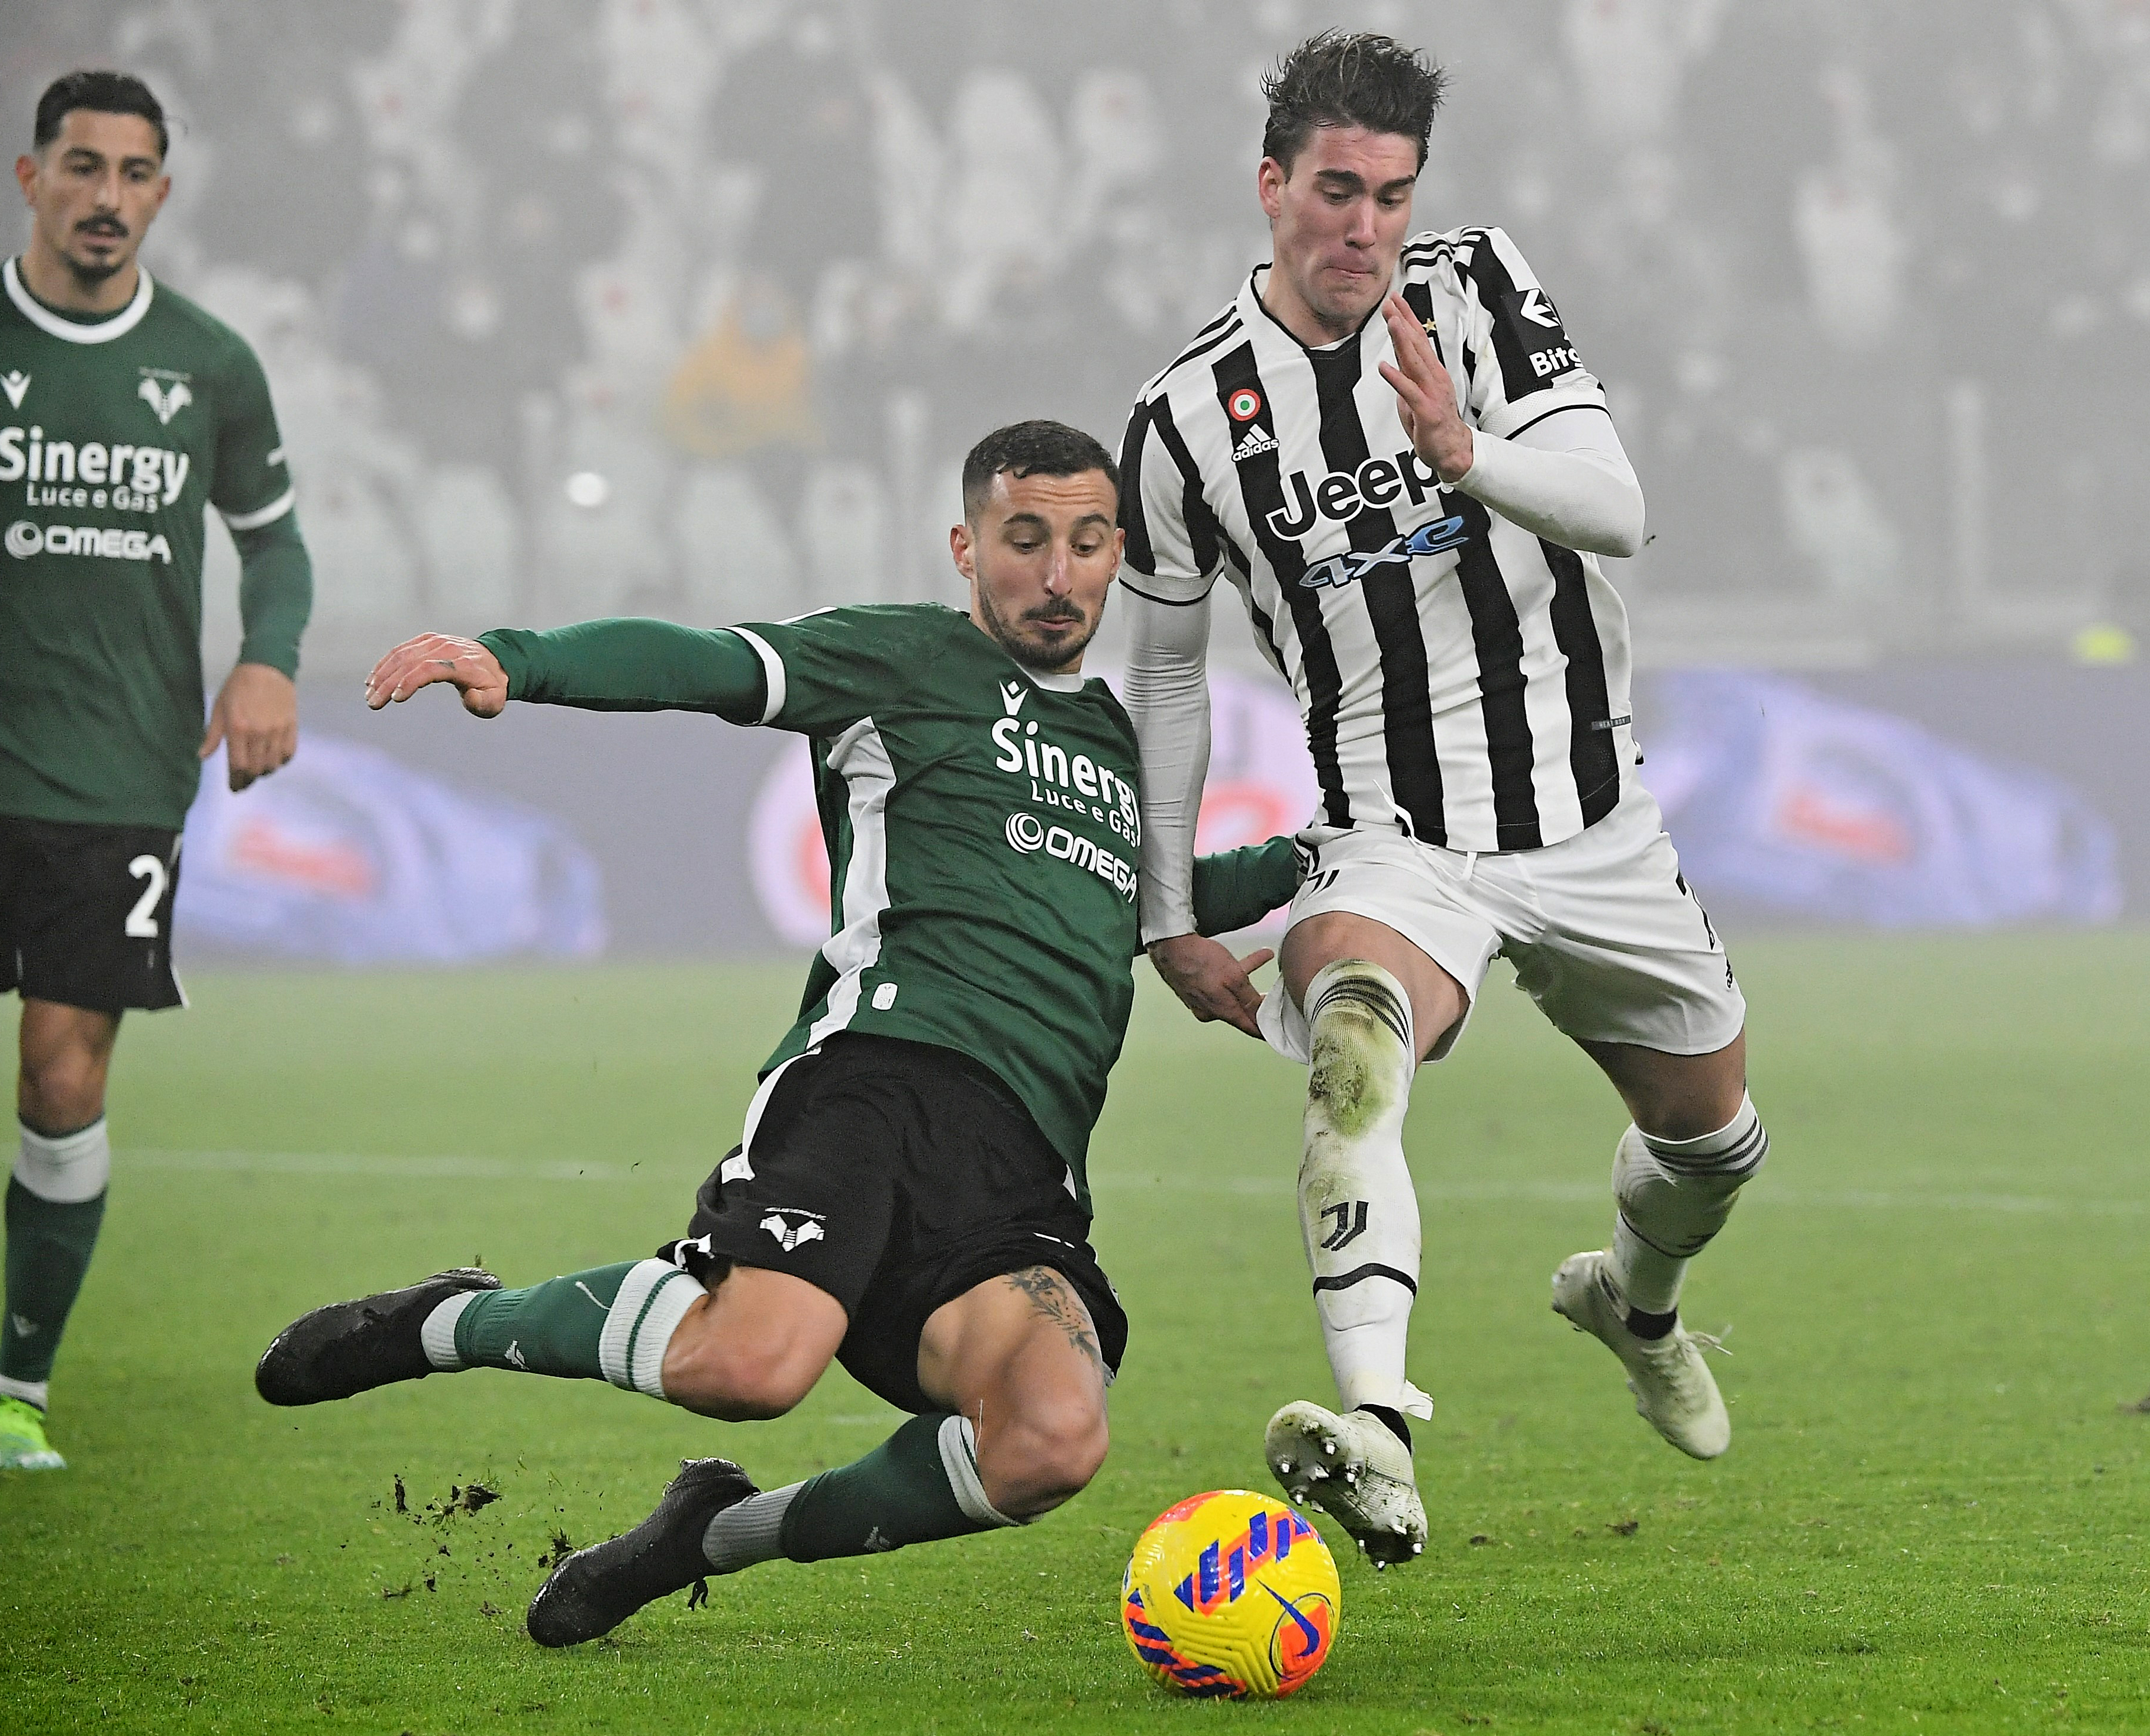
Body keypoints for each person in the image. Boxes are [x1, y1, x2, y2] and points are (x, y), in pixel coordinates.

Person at [254, 421, 1296, 1646]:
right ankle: (442, 1322)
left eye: (1083, 543)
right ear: (968, 547)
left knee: (1051, 1445)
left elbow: (1144, 901)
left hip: (1022, 1168)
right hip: (874, 1085)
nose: (1057, 575)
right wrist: (512, 658)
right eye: (1025, 541)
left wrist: (1330, 861)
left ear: (1117, 551)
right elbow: (707, 662)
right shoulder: (899, 660)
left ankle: (706, 1535)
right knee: (750, 1369)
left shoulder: (1119, 746)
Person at [1116, 32, 1759, 1566]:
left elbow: (1621, 508)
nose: (1365, 228)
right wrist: (1164, 911)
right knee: (1351, 1047)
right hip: (1396, 842)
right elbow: (1169, 682)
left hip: (1596, 824)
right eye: (1337, 191)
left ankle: (1633, 1299)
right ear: (1269, 188)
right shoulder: (1187, 420)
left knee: (1714, 1140)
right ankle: (1377, 1430)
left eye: (1392, 195)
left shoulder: (1474, 295)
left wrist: (1468, 457)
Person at [1, 72, 313, 1473]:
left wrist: (269, 658)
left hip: (116, 779)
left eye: (134, 174)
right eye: (83, 167)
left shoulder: (209, 363)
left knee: (62, 1085)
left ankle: (16, 1388)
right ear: (31, 178)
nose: (106, 197)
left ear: (162, 197)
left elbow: (278, 539)